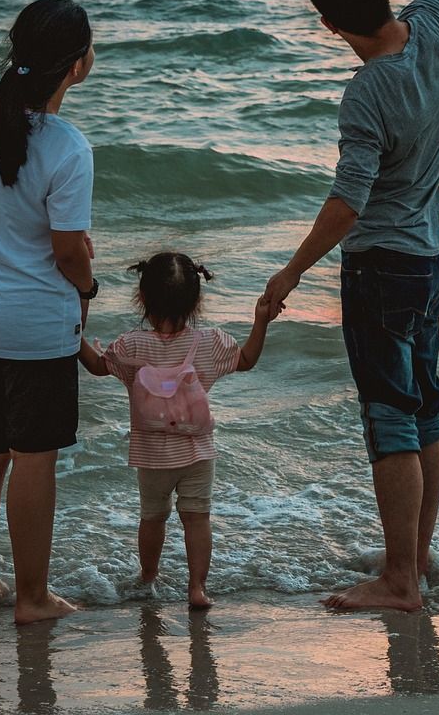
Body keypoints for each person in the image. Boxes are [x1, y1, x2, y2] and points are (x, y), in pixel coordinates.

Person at [259, 0, 439, 612]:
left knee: (391, 419)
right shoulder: (431, 27)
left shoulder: (366, 92)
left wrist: (289, 274)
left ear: (327, 24)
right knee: (424, 411)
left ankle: (400, 580)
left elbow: (349, 201)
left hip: (380, 267)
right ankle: (415, 556)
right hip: (430, 260)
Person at [0, 0, 98, 625]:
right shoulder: (68, 148)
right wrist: (89, 287)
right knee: (35, 458)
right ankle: (34, 599)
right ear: (76, 66)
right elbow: (69, 254)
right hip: (36, 326)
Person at [78, 252, 272, 610]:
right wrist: (260, 320)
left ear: (143, 298)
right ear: (196, 301)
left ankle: (147, 578)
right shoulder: (210, 343)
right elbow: (246, 360)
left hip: (152, 456)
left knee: (153, 517)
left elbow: (96, 366)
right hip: (198, 453)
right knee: (197, 518)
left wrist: (74, 333)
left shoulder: (132, 345)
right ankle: (197, 588)